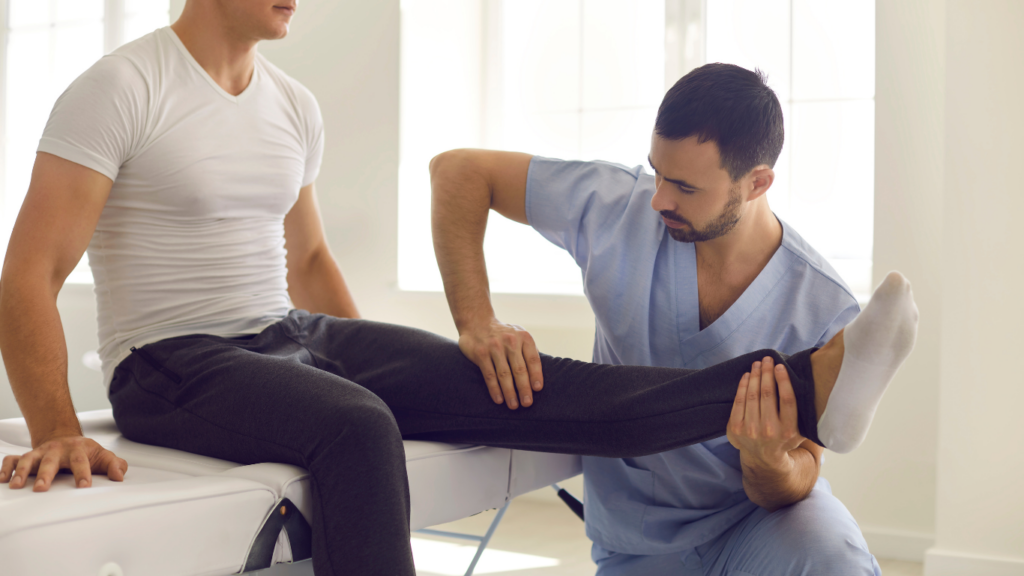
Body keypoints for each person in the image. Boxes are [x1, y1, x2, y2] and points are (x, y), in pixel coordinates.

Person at [0, 1, 915, 573]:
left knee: (515, 381)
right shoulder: (122, 87)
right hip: (171, 360)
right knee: (355, 426)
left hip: (286, 328)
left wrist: (361, 366)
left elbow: (309, 260)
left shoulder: (292, 106)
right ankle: (806, 382)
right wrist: (56, 429)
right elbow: (29, 271)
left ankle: (806, 387)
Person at [429, 63, 918, 575]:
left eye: (685, 187)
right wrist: (477, 320)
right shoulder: (617, 206)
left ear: (756, 183)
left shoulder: (819, 303)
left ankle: (812, 382)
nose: (659, 198)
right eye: (657, 172)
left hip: (758, 524)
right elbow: (457, 170)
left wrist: (767, 460)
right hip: (639, 543)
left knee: (836, 563)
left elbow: (798, 479)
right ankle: (808, 377)